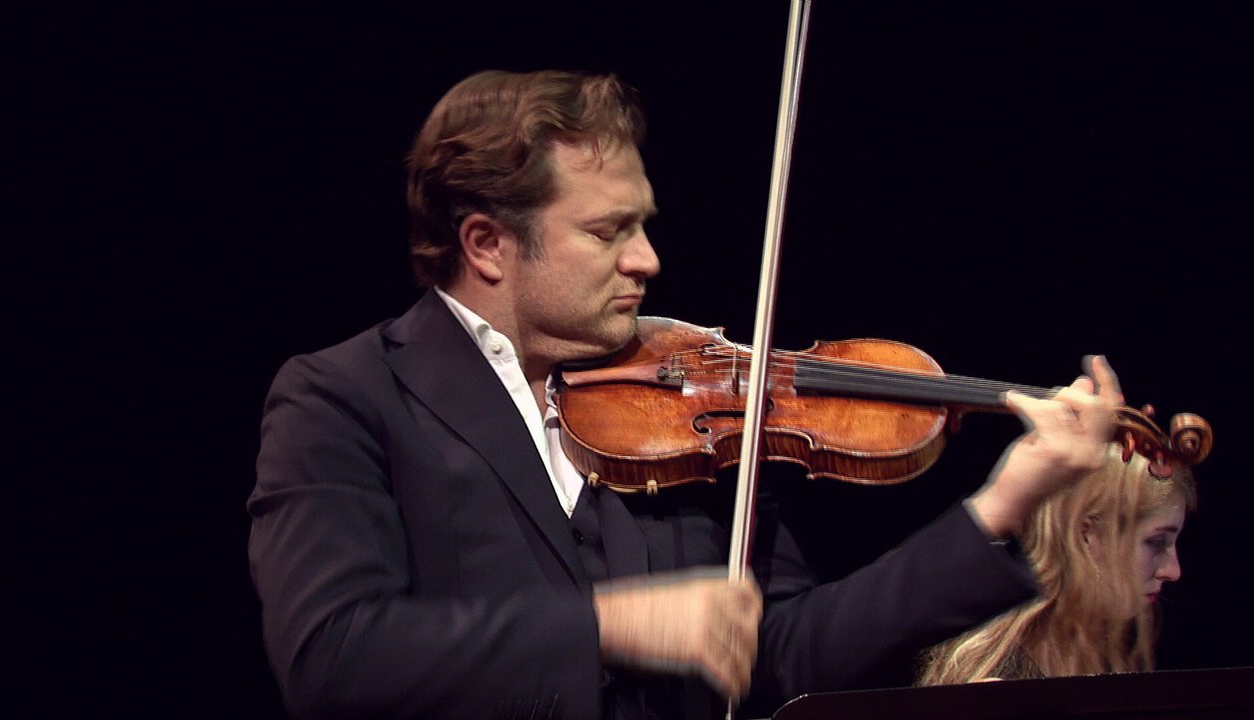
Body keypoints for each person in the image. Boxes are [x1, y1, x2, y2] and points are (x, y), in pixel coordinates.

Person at [247, 69, 1125, 720]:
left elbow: (786, 651)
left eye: (643, 225)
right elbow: (334, 658)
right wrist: (608, 625)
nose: (647, 260)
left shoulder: (688, 408)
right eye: (606, 230)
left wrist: (1001, 507)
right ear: (486, 244)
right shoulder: (347, 397)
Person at [916, 442, 1198, 685]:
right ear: (1088, 536)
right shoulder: (998, 681)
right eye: (1156, 542)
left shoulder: (1097, 656)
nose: (1173, 571)